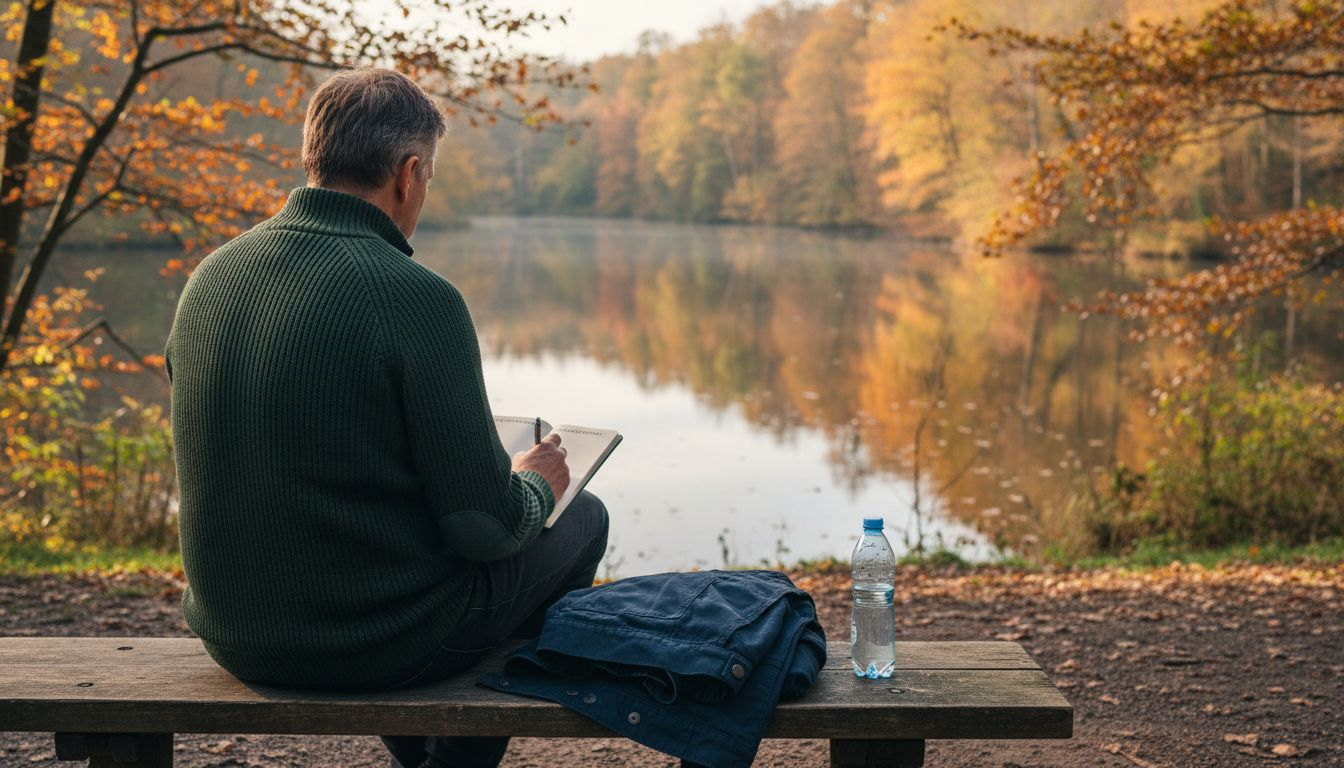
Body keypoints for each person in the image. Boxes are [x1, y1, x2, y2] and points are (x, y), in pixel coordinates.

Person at [165, 67, 608, 768]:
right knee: (585, 519)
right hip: (368, 644)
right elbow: (484, 530)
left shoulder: (212, 278)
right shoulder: (415, 297)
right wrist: (536, 482)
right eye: (428, 177)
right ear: (408, 174)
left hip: (234, 633)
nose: (424, 193)